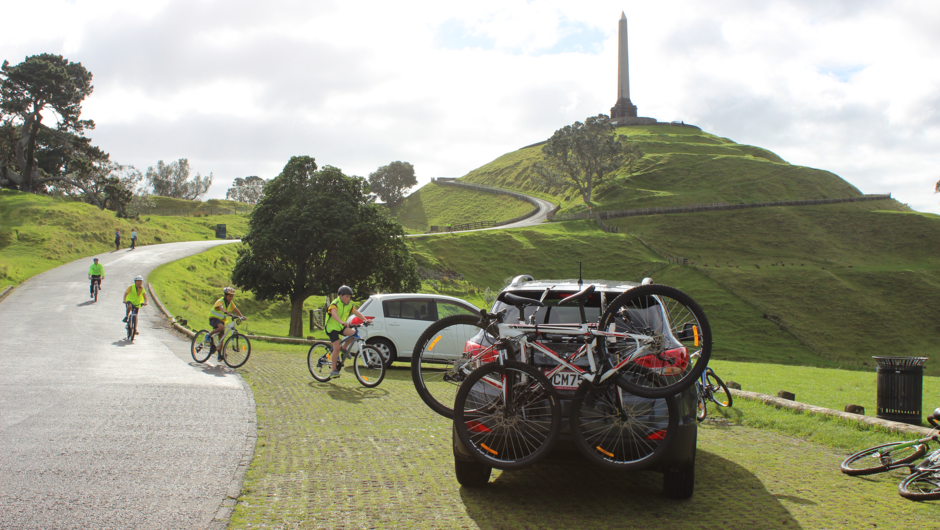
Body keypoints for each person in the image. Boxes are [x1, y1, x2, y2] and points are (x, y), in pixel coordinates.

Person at [325, 285, 366, 379]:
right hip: (332, 327)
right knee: (336, 347)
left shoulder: (349, 305)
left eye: (349, 297)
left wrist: (365, 320)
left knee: (353, 334)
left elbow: (357, 313)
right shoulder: (335, 303)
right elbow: (334, 314)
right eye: (346, 296)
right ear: (340, 295)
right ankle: (334, 370)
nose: (348, 298)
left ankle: (344, 348)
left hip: (340, 326)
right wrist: (341, 322)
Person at [204, 286, 246, 362]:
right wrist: (225, 311)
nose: (231, 298)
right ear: (225, 295)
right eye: (229, 296)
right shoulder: (220, 301)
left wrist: (241, 316)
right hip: (214, 318)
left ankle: (219, 355)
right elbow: (221, 307)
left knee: (221, 338)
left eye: (232, 296)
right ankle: (209, 335)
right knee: (221, 328)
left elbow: (236, 309)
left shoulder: (230, 303)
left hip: (222, 320)